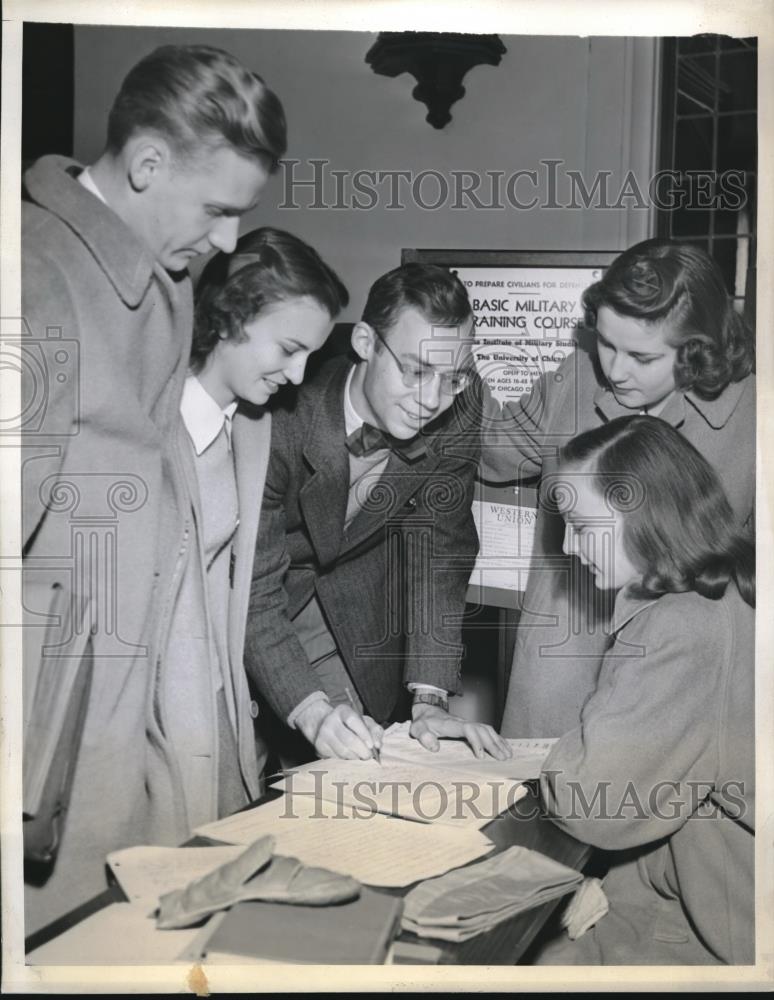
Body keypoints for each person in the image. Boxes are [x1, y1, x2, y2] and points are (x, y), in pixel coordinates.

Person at [21, 44, 286, 933]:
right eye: (218, 209)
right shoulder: (35, 275)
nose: (228, 242)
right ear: (145, 164)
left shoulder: (169, 283)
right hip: (44, 730)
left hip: (136, 713)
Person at [481, 238, 755, 738]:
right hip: (560, 664)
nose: (614, 369)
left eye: (641, 356)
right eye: (606, 343)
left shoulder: (756, 416)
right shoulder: (576, 379)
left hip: (675, 681)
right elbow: (490, 449)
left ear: (697, 352)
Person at [244, 263, 511, 763]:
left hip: (359, 603)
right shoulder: (281, 409)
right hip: (253, 601)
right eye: (414, 371)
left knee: (359, 762)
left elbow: (441, 551)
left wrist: (429, 699)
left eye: (452, 377)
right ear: (366, 342)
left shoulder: (461, 403)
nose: (431, 401)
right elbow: (252, 585)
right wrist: (310, 708)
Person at [536, 415, 754, 965]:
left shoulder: (680, 627)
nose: (567, 545)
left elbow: (592, 803)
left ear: (644, 518)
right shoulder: (729, 588)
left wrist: (565, 753)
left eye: (582, 527)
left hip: (721, 924)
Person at [169, 227, 348, 831]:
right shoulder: (143, 425)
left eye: (310, 357)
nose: (298, 377)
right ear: (230, 317)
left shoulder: (254, 431)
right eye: (287, 349)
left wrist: (314, 712)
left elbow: (258, 598)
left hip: (216, 716)